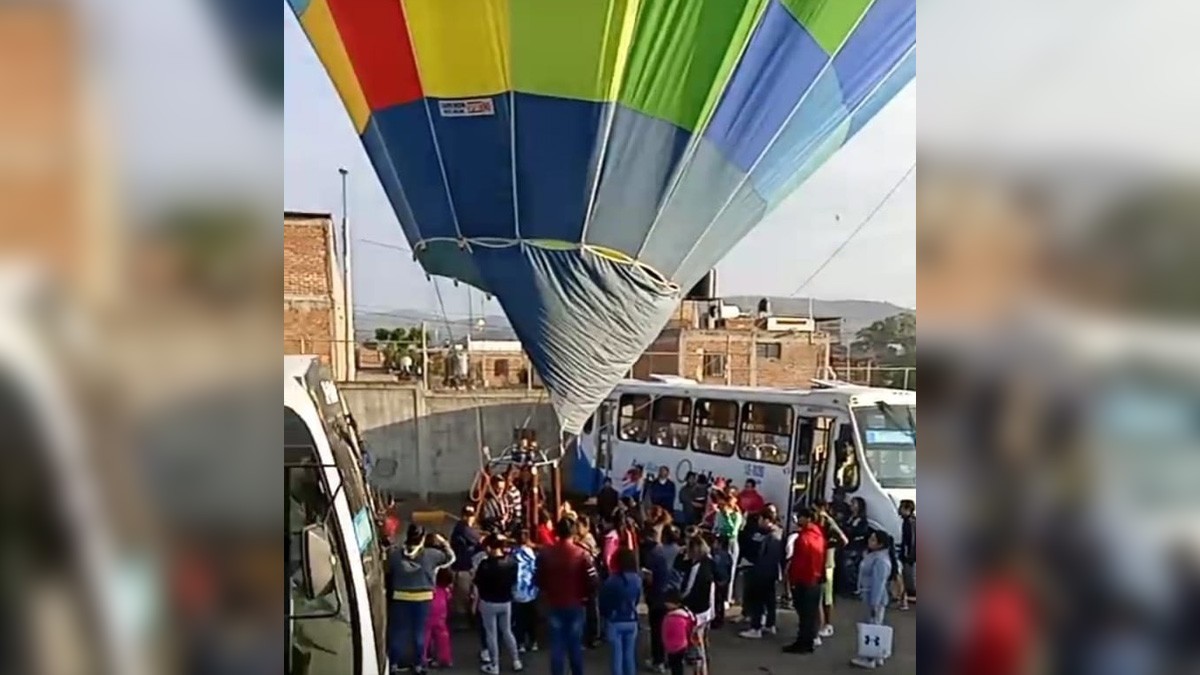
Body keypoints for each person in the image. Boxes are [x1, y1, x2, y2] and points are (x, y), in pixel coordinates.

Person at [386, 525, 456, 674]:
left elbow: (387, 568)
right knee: (420, 632)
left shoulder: (395, 554)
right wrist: (443, 542)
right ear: (422, 538)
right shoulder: (432, 555)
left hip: (400, 596)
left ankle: (393, 663)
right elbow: (450, 557)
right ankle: (418, 664)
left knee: (399, 631)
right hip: (423, 598)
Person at [536, 517, 599, 675]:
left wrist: (548, 591)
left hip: (554, 603)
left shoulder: (546, 553)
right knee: (575, 646)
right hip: (576, 603)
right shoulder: (582, 554)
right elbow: (593, 580)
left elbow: (538, 578)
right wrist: (585, 595)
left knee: (556, 647)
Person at [474, 534, 523, 674]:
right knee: (507, 631)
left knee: (491, 634)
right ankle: (516, 660)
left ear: (489, 547)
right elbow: (514, 582)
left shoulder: (485, 565)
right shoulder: (512, 563)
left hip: (488, 602)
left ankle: (494, 665)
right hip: (506, 601)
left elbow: (478, 583)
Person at [783, 507, 825, 655]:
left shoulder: (803, 538)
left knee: (804, 615)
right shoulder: (818, 534)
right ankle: (810, 640)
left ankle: (803, 643)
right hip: (816, 579)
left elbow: (798, 563)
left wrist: (792, 580)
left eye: (799, 517)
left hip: (804, 580)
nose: (797, 520)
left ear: (806, 518)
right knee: (811, 614)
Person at [850, 530, 894, 669]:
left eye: (873, 540)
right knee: (874, 626)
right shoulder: (875, 555)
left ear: (880, 544)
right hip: (869, 595)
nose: (870, 541)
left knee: (872, 627)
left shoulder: (880, 560)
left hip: (873, 598)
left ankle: (870, 658)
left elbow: (878, 584)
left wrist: (874, 604)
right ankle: (876, 656)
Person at [739, 511, 784, 639]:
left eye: (760, 519)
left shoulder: (771, 536)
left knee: (757, 600)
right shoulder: (778, 533)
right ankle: (770, 624)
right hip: (772, 572)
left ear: (767, 520)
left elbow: (763, 555)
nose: (759, 522)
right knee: (770, 599)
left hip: (762, 572)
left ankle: (756, 627)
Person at [599, 549, 642, 675]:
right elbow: (638, 599)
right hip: (631, 619)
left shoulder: (611, 581)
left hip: (615, 620)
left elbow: (603, 602)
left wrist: (606, 615)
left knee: (616, 658)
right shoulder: (637, 579)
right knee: (629, 656)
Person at [812, 498, 850, 639]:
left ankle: (827, 625)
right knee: (819, 595)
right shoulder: (819, 521)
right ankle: (822, 623)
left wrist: (828, 545)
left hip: (827, 563)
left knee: (826, 596)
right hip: (819, 561)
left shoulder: (828, 521)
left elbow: (843, 540)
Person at [680, 536, 716, 667]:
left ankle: (700, 665)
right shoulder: (710, 562)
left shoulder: (697, 567)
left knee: (696, 641)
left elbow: (688, 589)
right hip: (707, 607)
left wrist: (679, 600)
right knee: (702, 638)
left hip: (697, 609)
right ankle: (702, 660)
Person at [641, 525, 673, 673]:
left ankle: (658, 661)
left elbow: (648, 578)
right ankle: (672, 659)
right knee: (671, 630)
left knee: (657, 630)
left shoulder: (654, 554)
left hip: (657, 597)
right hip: (673, 596)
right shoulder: (680, 551)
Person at [450, 504, 484, 619]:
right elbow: (481, 541)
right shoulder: (464, 529)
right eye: (467, 516)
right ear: (462, 516)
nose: (469, 518)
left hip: (466, 567)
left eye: (471, 516)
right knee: (463, 596)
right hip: (463, 568)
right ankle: (462, 620)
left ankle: (466, 616)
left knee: (469, 595)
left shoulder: (466, 528)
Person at [713, 495, 744, 606]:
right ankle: (717, 595)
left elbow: (733, 530)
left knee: (730, 570)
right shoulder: (718, 514)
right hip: (721, 540)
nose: (720, 507)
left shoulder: (737, 516)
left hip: (731, 542)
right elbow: (716, 526)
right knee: (718, 569)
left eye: (723, 505)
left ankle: (727, 598)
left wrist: (727, 517)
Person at [512, 529, 540, 653]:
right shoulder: (532, 553)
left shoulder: (513, 554)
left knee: (519, 620)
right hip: (530, 590)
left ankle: (521, 643)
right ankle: (533, 642)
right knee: (531, 618)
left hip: (517, 591)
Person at [661, 589, 699, 675]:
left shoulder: (673, 617)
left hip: (674, 646)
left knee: (675, 666)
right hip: (682, 645)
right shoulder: (685, 615)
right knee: (678, 666)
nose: (665, 604)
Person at [424, 568, 453, 668]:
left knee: (425, 636)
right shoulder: (445, 590)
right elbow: (449, 598)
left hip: (428, 611)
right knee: (442, 636)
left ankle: (422, 659)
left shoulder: (430, 588)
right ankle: (445, 659)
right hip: (441, 614)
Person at [710, 535, 733, 628]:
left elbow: (715, 568)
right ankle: (720, 619)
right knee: (720, 602)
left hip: (718, 581)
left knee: (716, 602)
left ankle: (717, 620)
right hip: (725, 581)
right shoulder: (728, 555)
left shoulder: (716, 555)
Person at [898, 499, 916, 609]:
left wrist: (908, 555)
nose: (899, 510)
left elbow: (911, 541)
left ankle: (905, 601)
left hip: (909, 555)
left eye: (901, 508)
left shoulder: (909, 523)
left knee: (907, 578)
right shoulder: (910, 521)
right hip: (910, 554)